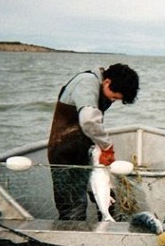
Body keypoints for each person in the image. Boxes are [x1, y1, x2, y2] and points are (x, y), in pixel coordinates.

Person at [48, 63, 139, 220]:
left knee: (108, 199)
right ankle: (73, 240)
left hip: (86, 151)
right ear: (107, 82)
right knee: (73, 208)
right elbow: (89, 121)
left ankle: (107, 230)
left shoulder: (100, 87)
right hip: (65, 154)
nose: (113, 101)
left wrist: (100, 147)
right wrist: (107, 147)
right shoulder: (86, 82)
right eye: (114, 97)